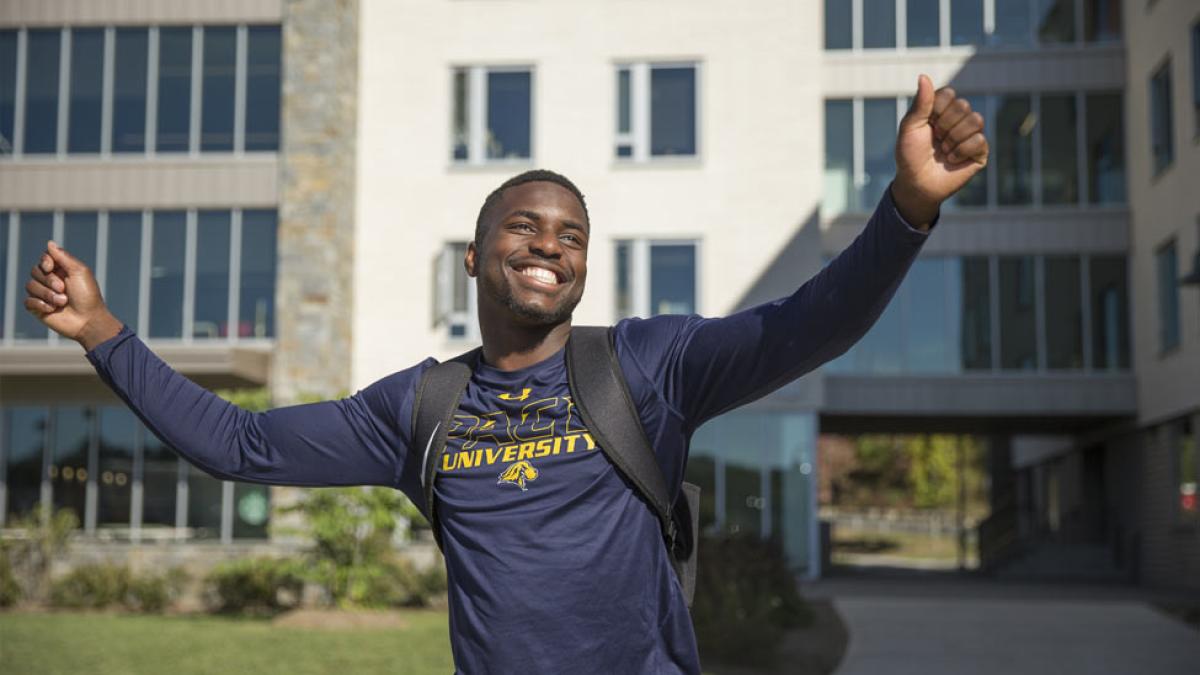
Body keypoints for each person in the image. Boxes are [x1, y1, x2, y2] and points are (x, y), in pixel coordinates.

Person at [23, 74, 986, 673]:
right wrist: (105, 330)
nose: (549, 245)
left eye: (571, 235)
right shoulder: (423, 406)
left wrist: (904, 209)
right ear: (476, 257)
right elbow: (240, 444)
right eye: (523, 225)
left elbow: (809, 325)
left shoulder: (650, 364)